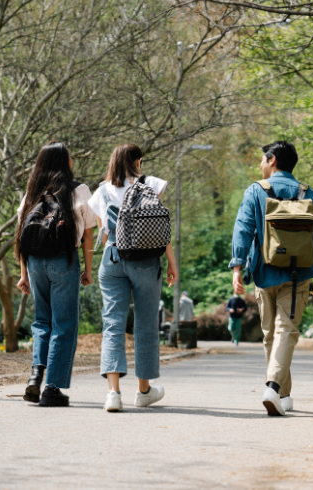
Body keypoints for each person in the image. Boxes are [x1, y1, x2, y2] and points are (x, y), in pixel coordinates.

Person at [229, 141, 313, 416]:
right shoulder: (307, 193)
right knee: (283, 332)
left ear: (272, 160)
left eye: (263, 160)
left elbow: (243, 229)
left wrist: (237, 266)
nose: (260, 165)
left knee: (271, 336)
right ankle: (282, 395)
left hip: (264, 273)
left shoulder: (255, 191)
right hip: (299, 274)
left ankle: (272, 387)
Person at [87, 143, 178, 412]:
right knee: (147, 324)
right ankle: (143, 391)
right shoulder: (152, 184)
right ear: (139, 162)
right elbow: (161, 229)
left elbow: (103, 230)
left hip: (112, 258)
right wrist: (171, 263)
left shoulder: (101, 191)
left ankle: (113, 394)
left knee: (112, 324)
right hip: (146, 261)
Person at [16, 141, 97, 407]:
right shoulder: (78, 190)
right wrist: (88, 269)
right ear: (65, 162)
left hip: (35, 263)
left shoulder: (32, 192)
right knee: (64, 325)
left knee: (42, 322)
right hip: (64, 260)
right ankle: (52, 388)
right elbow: (87, 232)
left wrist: (23, 273)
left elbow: (20, 234)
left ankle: (34, 377)